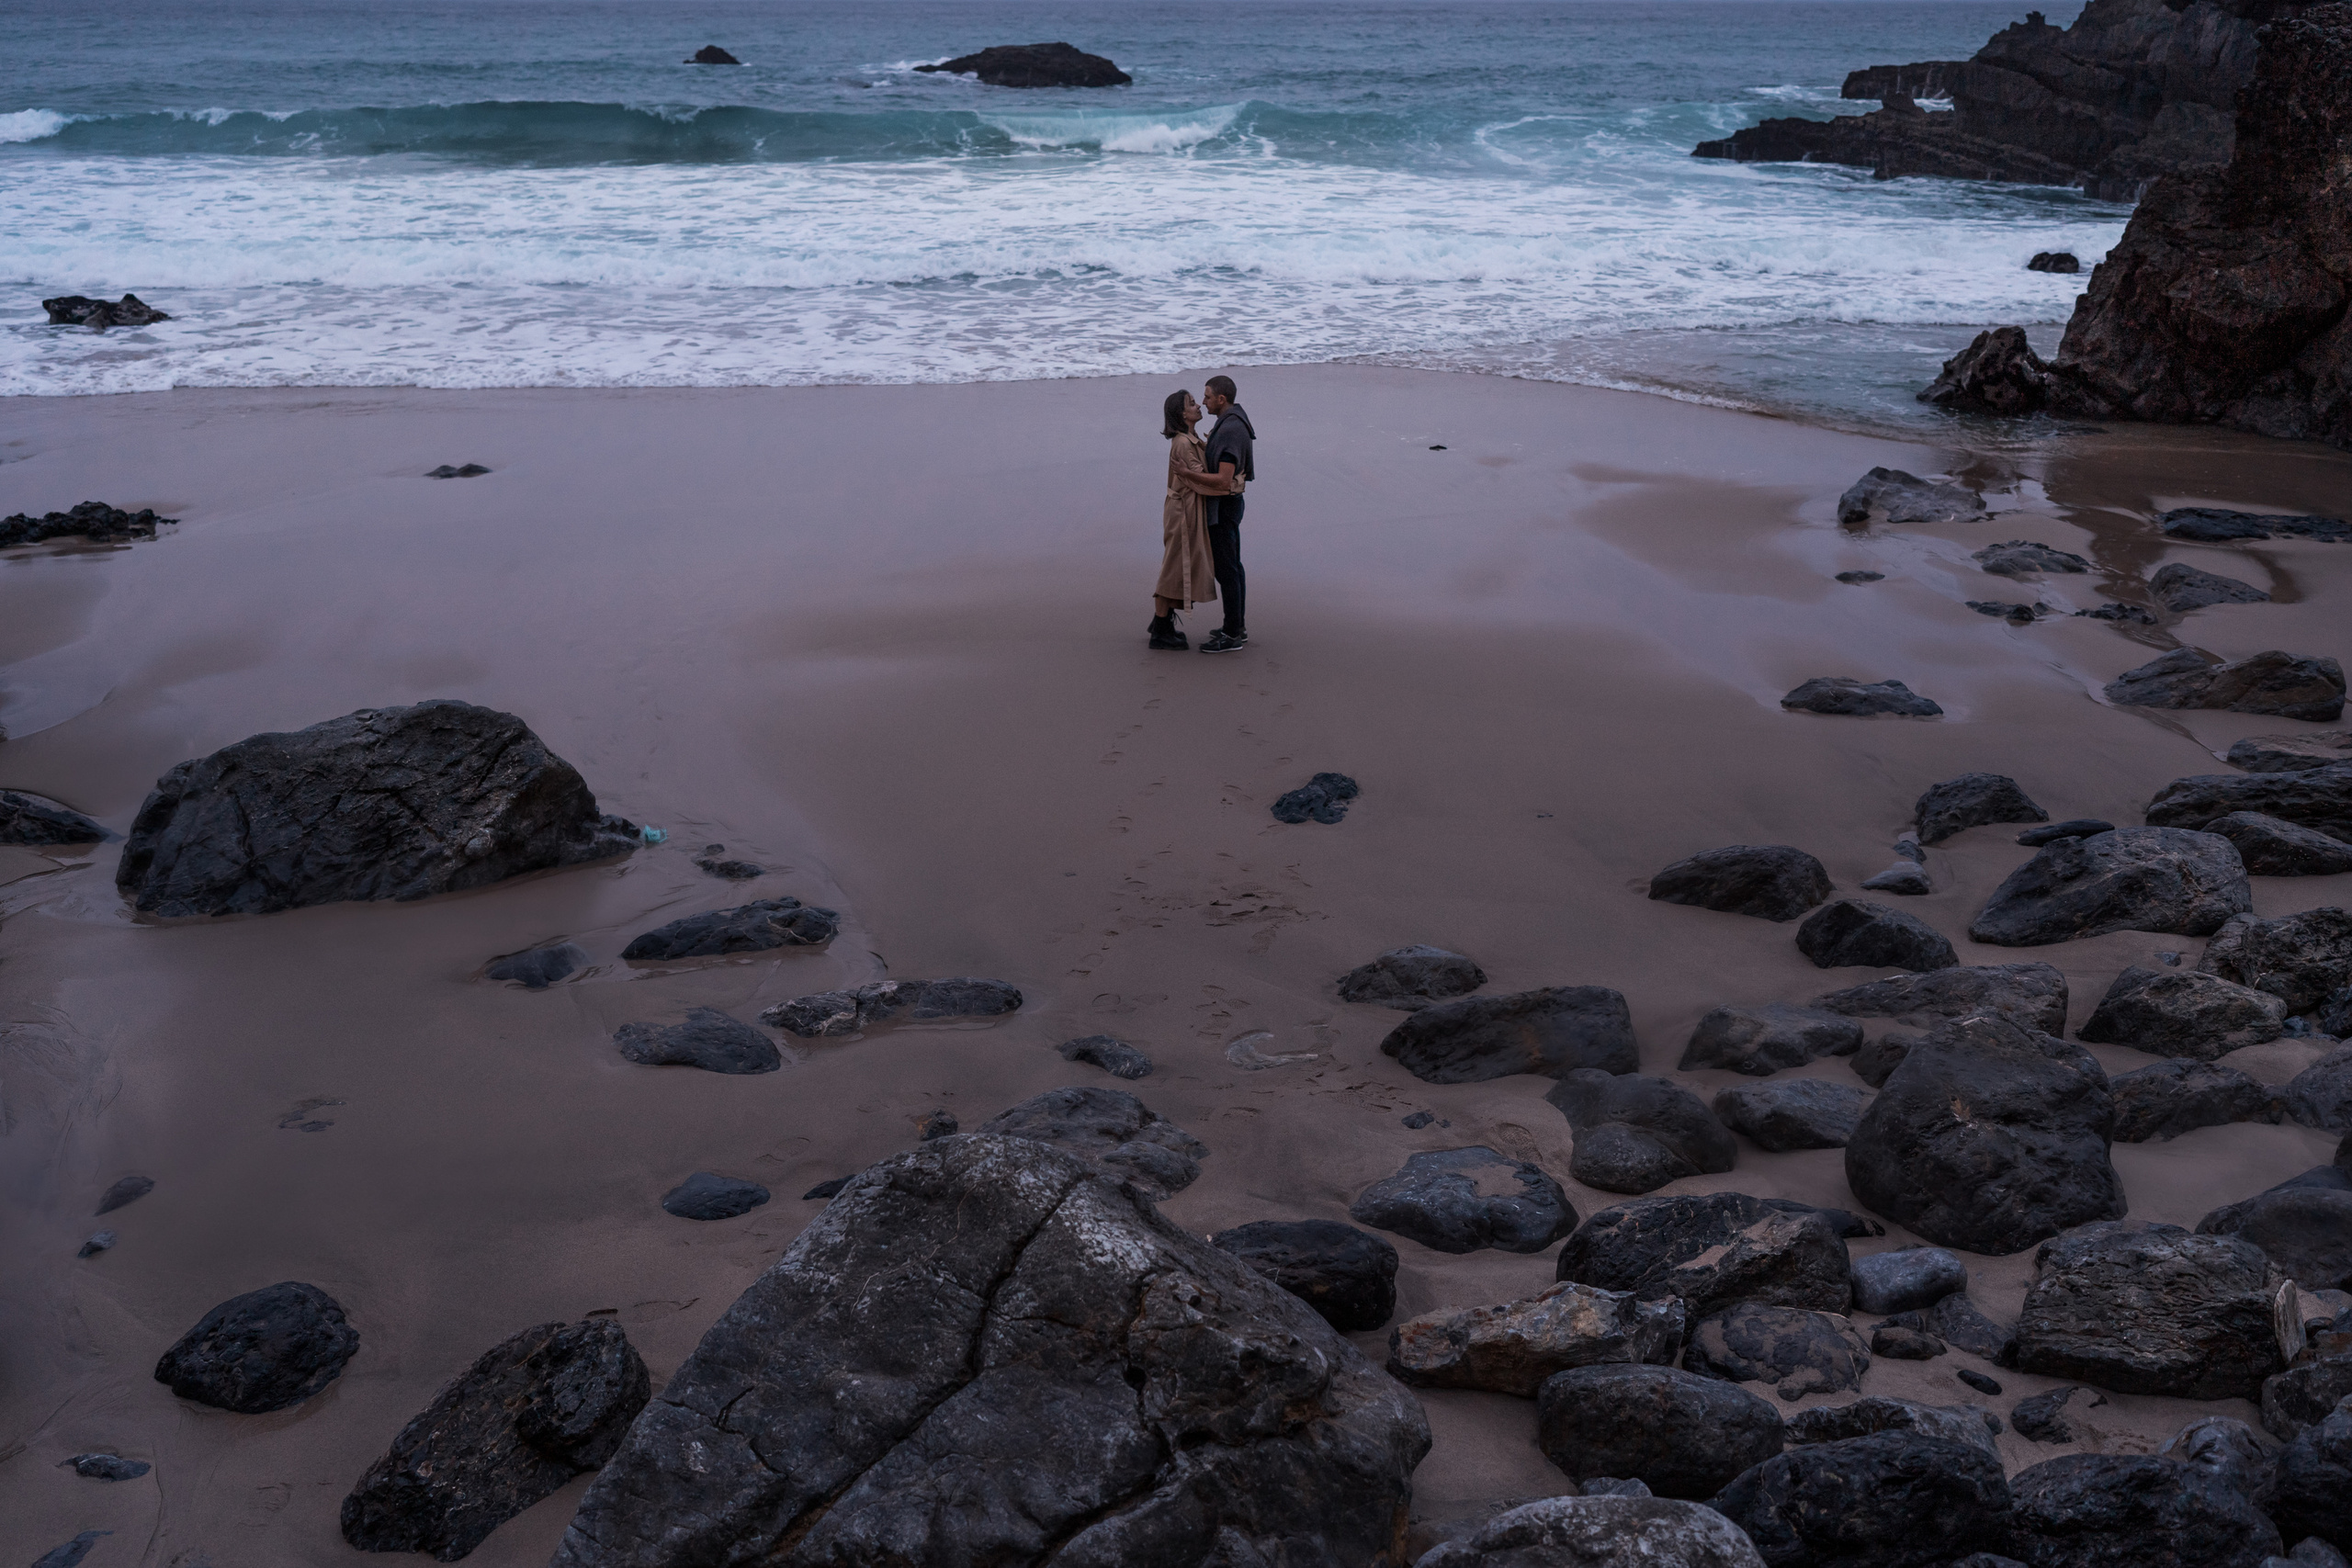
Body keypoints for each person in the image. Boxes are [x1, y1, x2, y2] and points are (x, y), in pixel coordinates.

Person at [1150, 388, 1232, 649]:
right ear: (1181, 414)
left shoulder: (1190, 437)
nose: (1199, 406)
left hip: (1185, 509)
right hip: (1183, 513)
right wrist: (1228, 485)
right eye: (1192, 404)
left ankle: (1161, 623)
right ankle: (1160, 629)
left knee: (1178, 566)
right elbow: (1199, 483)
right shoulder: (1184, 443)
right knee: (1173, 568)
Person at [1197, 374, 1255, 652]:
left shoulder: (1231, 429)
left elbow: (1222, 480)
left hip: (1225, 507)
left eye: (1207, 396)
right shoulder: (1232, 421)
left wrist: (1186, 474)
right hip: (1231, 505)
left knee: (1227, 571)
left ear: (1221, 399)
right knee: (1234, 568)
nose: (1203, 401)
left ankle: (1232, 634)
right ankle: (1237, 627)